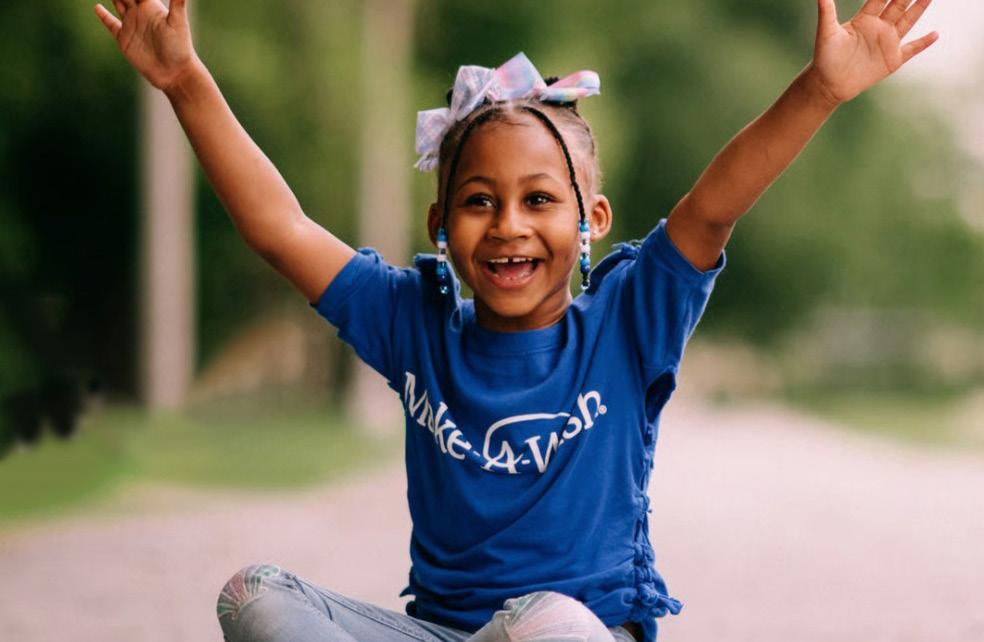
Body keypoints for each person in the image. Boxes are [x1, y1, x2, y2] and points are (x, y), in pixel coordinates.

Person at [94, 1, 938, 640]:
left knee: (548, 621)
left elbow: (713, 207)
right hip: (441, 633)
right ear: (440, 226)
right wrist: (186, 81)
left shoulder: (628, 322)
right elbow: (280, 230)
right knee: (253, 597)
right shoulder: (413, 324)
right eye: (477, 201)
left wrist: (819, 90)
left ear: (591, 220)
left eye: (538, 200)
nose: (507, 225)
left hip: (571, 633)